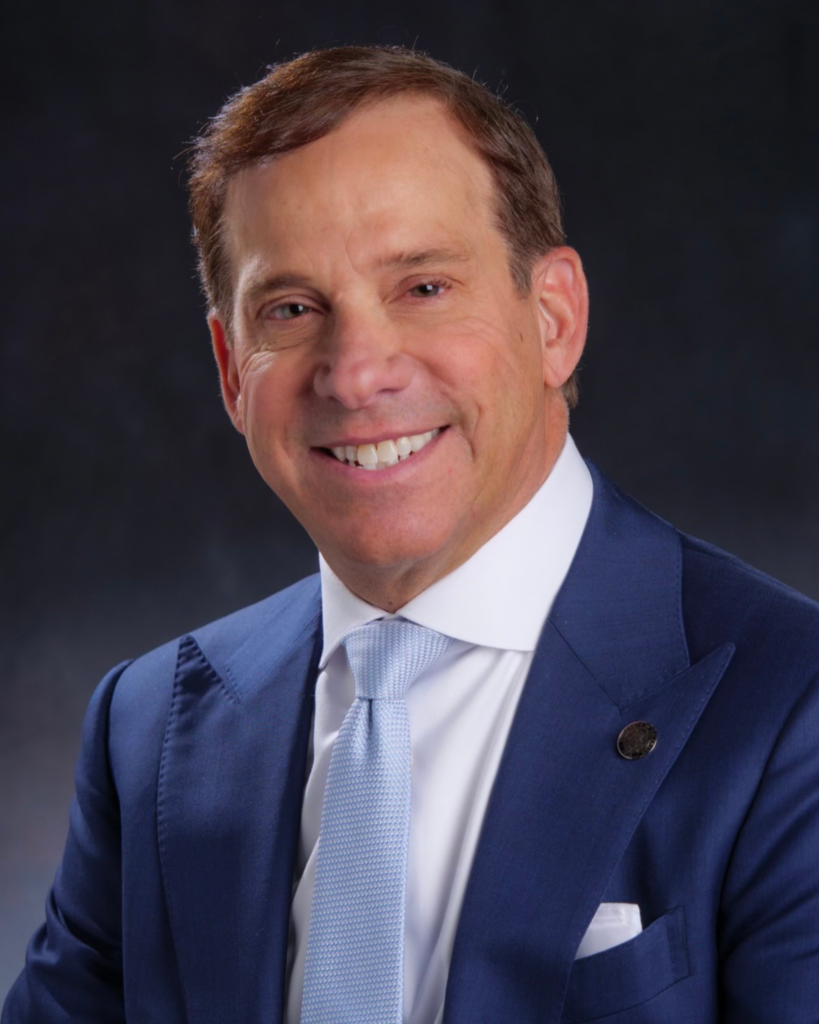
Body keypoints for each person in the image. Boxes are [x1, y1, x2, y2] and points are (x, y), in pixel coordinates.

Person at [3, 45, 818, 1024]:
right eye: (293, 309)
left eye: (422, 286)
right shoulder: (148, 731)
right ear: (230, 369)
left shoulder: (789, 711)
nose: (356, 373)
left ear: (553, 316)